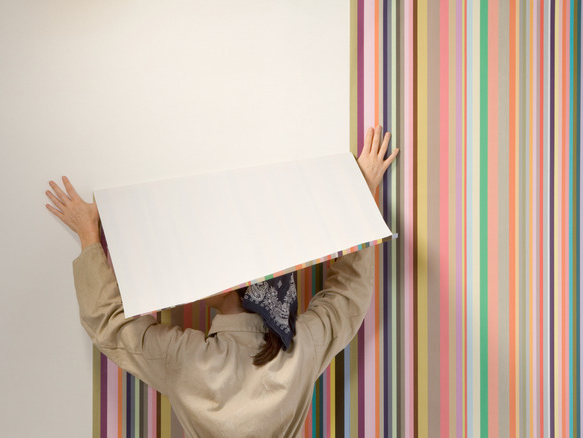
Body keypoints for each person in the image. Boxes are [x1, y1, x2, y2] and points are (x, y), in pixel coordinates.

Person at [45, 126, 398, 438]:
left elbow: (108, 324)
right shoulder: (300, 351)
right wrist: (360, 194)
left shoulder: (185, 360)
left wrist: (88, 234)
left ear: (233, 284)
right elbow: (349, 294)